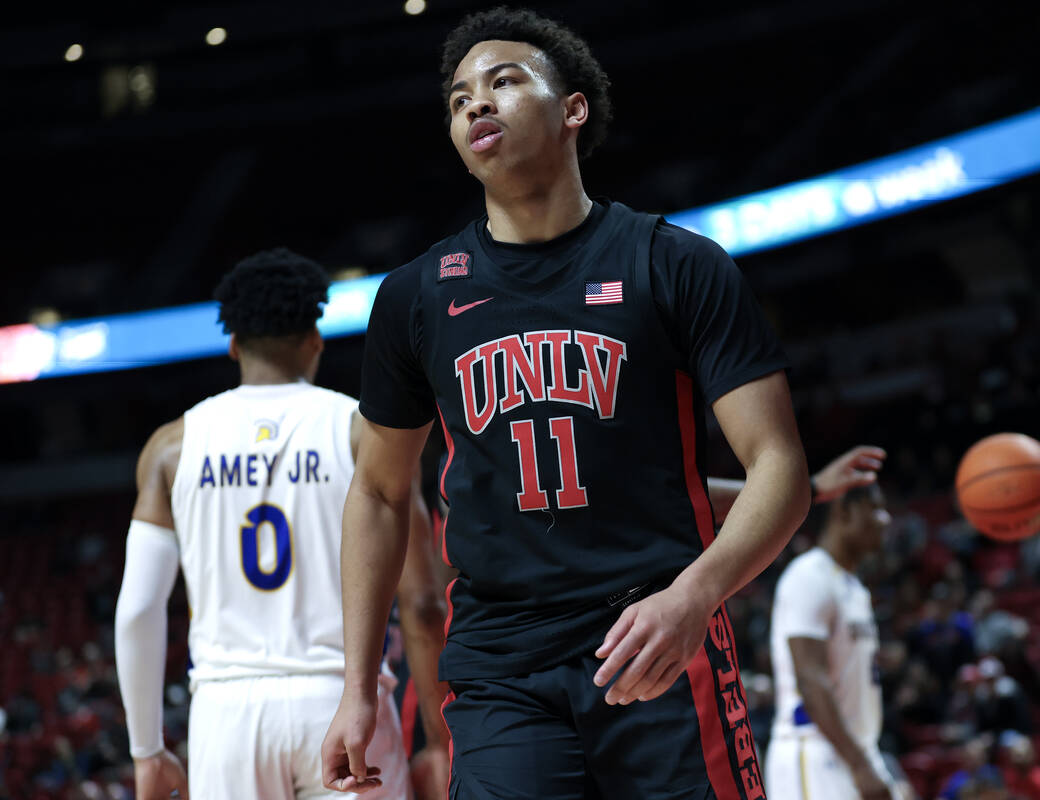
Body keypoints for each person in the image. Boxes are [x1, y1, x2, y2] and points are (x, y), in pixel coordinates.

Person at [323, 7, 821, 798]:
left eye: (503, 82)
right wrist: (357, 686)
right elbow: (381, 491)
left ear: (573, 109)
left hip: (655, 635)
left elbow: (779, 468)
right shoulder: (416, 296)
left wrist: (697, 596)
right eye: (458, 100)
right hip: (500, 667)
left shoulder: (677, 265)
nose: (476, 105)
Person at [114, 249, 449, 800]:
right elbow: (424, 605)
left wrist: (147, 752)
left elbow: (138, 610)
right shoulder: (364, 435)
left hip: (226, 715)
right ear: (315, 340)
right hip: (343, 701)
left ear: (233, 344)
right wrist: (440, 741)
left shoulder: (170, 448)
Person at [764, 483, 916, 800]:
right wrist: (860, 765)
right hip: (814, 750)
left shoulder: (853, 587)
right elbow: (810, 677)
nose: (885, 519)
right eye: (874, 508)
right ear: (843, 511)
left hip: (854, 749)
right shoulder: (809, 575)